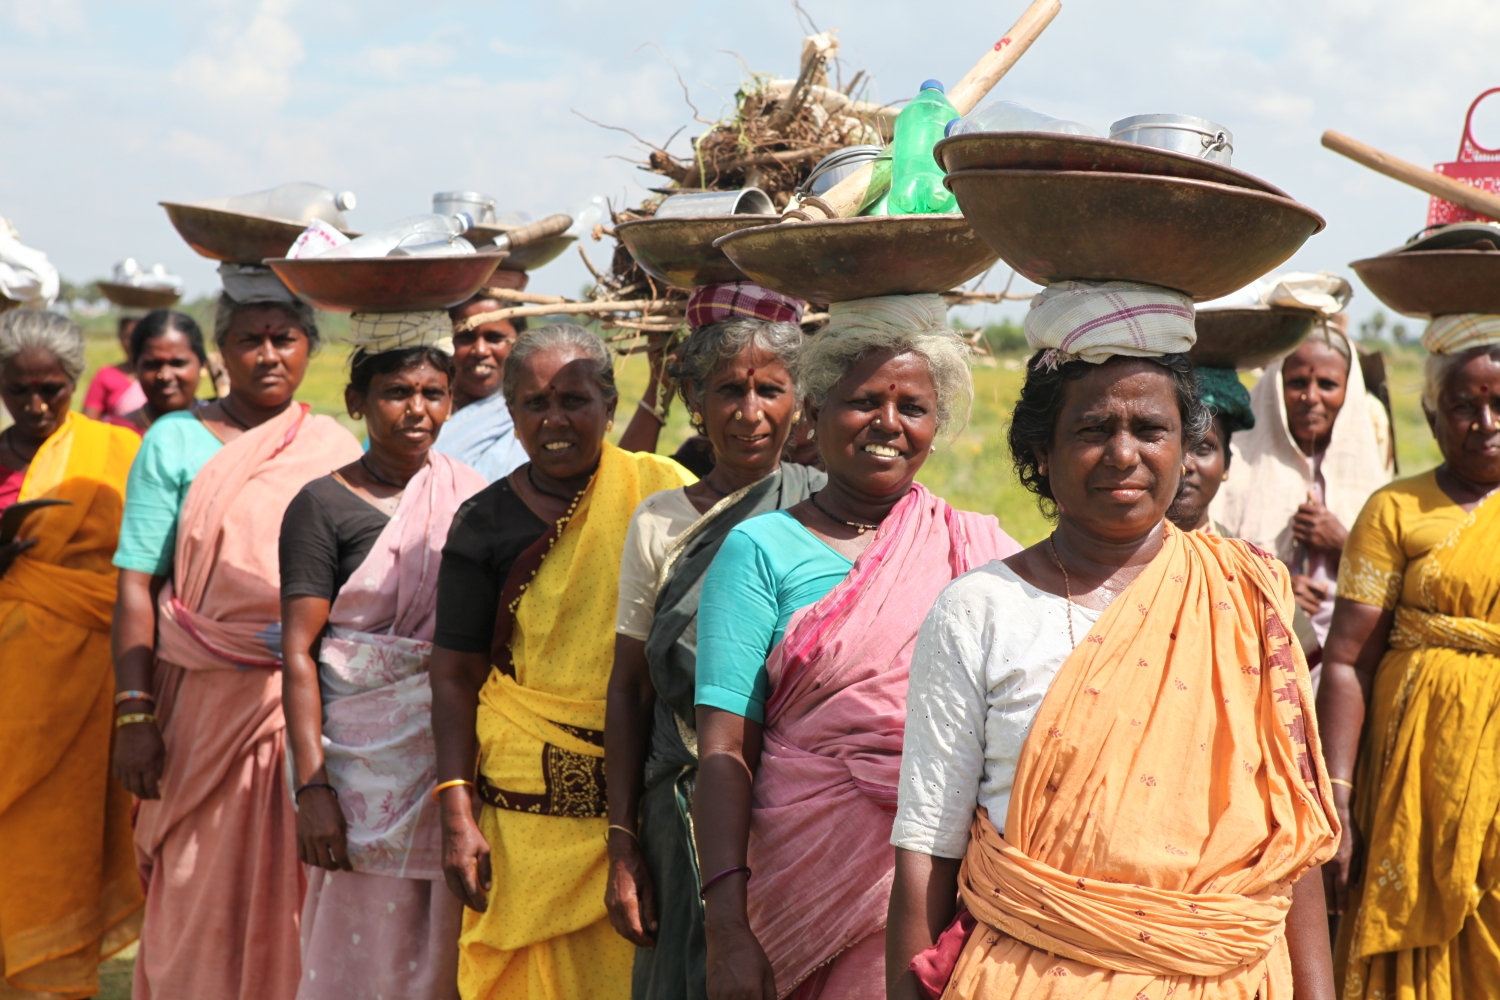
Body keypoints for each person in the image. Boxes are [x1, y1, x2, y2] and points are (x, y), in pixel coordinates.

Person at [886, 280, 1341, 1000]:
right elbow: (928, 850)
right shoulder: (978, 610)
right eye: (1094, 430)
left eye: (1151, 430)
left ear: (1186, 446)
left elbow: (1295, 842)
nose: (1124, 454)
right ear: (1042, 452)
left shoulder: (1247, 594)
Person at [691, 294, 1019, 1000]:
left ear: (937, 426)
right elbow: (722, 750)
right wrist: (726, 928)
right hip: (799, 879)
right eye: (863, 401)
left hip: (948, 886)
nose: (888, 425)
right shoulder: (759, 550)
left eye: (913, 408)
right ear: (814, 415)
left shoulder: (980, 550)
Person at [111, 264, 364, 1000]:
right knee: (192, 877)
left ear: (308, 347)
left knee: (298, 889)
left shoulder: (334, 447)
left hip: (305, 706)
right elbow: (136, 581)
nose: (268, 355)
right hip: (198, 705)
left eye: (284, 338)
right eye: (250, 340)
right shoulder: (175, 441)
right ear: (222, 349)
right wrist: (134, 711)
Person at [430, 323, 695, 1000]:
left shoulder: (661, 496)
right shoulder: (482, 522)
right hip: (523, 817)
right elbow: (456, 675)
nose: (554, 420)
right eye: (534, 403)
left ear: (609, 403)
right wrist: (456, 812)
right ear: (511, 413)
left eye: (574, 400)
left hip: (643, 804)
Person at [603, 280, 816, 1000]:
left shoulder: (827, 507)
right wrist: (623, 841)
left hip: (803, 802)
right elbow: (630, 687)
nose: (751, 413)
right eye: (729, 390)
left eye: (770, 390)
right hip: (682, 801)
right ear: (696, 401)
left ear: (799, 400)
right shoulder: (660, 521)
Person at [280, 311, 487, 1000]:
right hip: (359, 770)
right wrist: (313, 790)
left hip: (455, 757)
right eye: (397, 392)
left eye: (433, 392)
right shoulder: (322, 506)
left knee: (451, 937)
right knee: (359, 936)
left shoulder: (473, 499)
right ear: (357, 402)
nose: (417, 409)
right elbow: (301, 653)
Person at [1319, 315, 1500, 1000]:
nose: (1484, 421)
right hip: (1410, 785)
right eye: (1463, 405)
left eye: (1499, 402)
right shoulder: (1394, 508)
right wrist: (1338, 796)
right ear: (1432, 413)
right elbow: (1346, 661)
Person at [0, 309, 144, 997]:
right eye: (17, 389)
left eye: (51, 389)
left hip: (89, 692)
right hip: (8, 697)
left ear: (74, 382)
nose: (35, 406)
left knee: (59, 844)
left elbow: (144, 569)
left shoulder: (115, 453)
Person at [1213, 322, 1392, 674]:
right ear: (1277, 388)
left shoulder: (1369, 472)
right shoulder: (1236, 466)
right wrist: (1275, 585)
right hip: (1254, 653)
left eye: (1327, 384)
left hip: (1353, 659)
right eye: (1297, 383)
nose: (1311, 396)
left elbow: (1394, 580)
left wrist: (1344, 542)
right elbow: (1211, 565)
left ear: (1348, 391)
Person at [440, 293, 667, 480]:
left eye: (494, 338)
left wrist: (660, 383)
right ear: (513, 413)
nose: (480, 350)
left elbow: (625, 480)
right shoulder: (427, 412)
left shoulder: (646, 487)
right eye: (465, 337)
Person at [1165, 365, 1254, 534]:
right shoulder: (1111, 557)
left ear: (1227, 464)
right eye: (1175, 447)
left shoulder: (1238, 559)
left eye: (1202, 449)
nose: (1186, 465)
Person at [108, 309, 208, 434]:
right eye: (153, 364)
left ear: (203, 364)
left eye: (177, 363)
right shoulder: (116, 433)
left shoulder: (220, 428)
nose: (165, 376)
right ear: (135, 367)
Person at [82, 315, 147, 421]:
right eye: (129, 337)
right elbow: (88, 424)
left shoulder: (161, 377)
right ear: (120, 338)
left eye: (140, 337)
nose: (134, 343)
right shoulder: (106, 376)